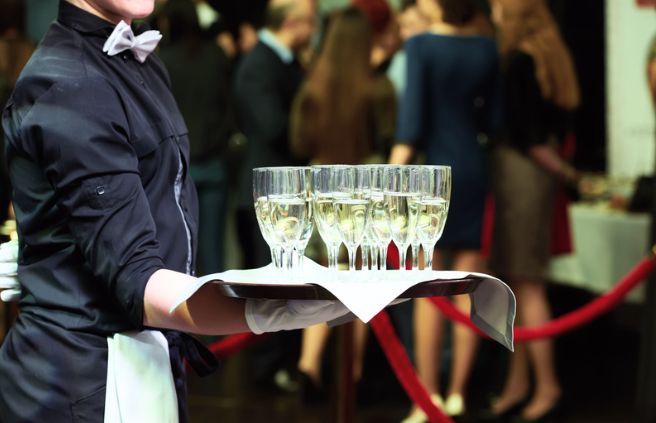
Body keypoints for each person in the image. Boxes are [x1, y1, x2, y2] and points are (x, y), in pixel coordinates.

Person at [0, 1, 350, 421]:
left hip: (145, 363)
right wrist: (278, 306)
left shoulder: (141, 64)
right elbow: (139, 280)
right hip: (83, 381)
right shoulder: (69, 81)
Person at [389, 0, 501, 420]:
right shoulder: (486, 49)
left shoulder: (421, 47)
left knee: (428, 289)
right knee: (467, 286)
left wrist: (387, 181)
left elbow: (411, 127)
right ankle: (458, 394)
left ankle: (428, 395)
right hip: (474, 167)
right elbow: (495, 119)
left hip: (432, 177)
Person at [289, 5, 396, 400]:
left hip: (320, 183)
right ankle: (351, 374)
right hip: (364, 187)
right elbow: (389, 141)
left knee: (320, 280)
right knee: (359, 282)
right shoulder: (378, 88)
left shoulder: (312, 86)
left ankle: (309, 364)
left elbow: (299, 142)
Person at [483, 0, 581, 421]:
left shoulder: (518, 60)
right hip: (536, 178)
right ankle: (518, 384)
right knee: (521, 286)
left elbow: (525, 134)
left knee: (526, 284)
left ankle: (547, 386)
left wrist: (565, 173)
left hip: (520, 176)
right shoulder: (549, 57)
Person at [233, 0, 317, 392]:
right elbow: (271, 126)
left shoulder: (281, 61)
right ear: (293, 23)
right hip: (266, 197)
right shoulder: (260, 64)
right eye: (311, 21)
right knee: (269, 287)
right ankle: (267, 371)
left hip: (283, 193)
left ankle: (280, 364)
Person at [158, 0, 236, 274]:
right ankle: (216, 316)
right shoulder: (216, 56)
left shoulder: (162, 61)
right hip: (214, 162)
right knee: (213, 251)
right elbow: (230, 109)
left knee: (179, 249)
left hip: (178, 168)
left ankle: (182, 315)